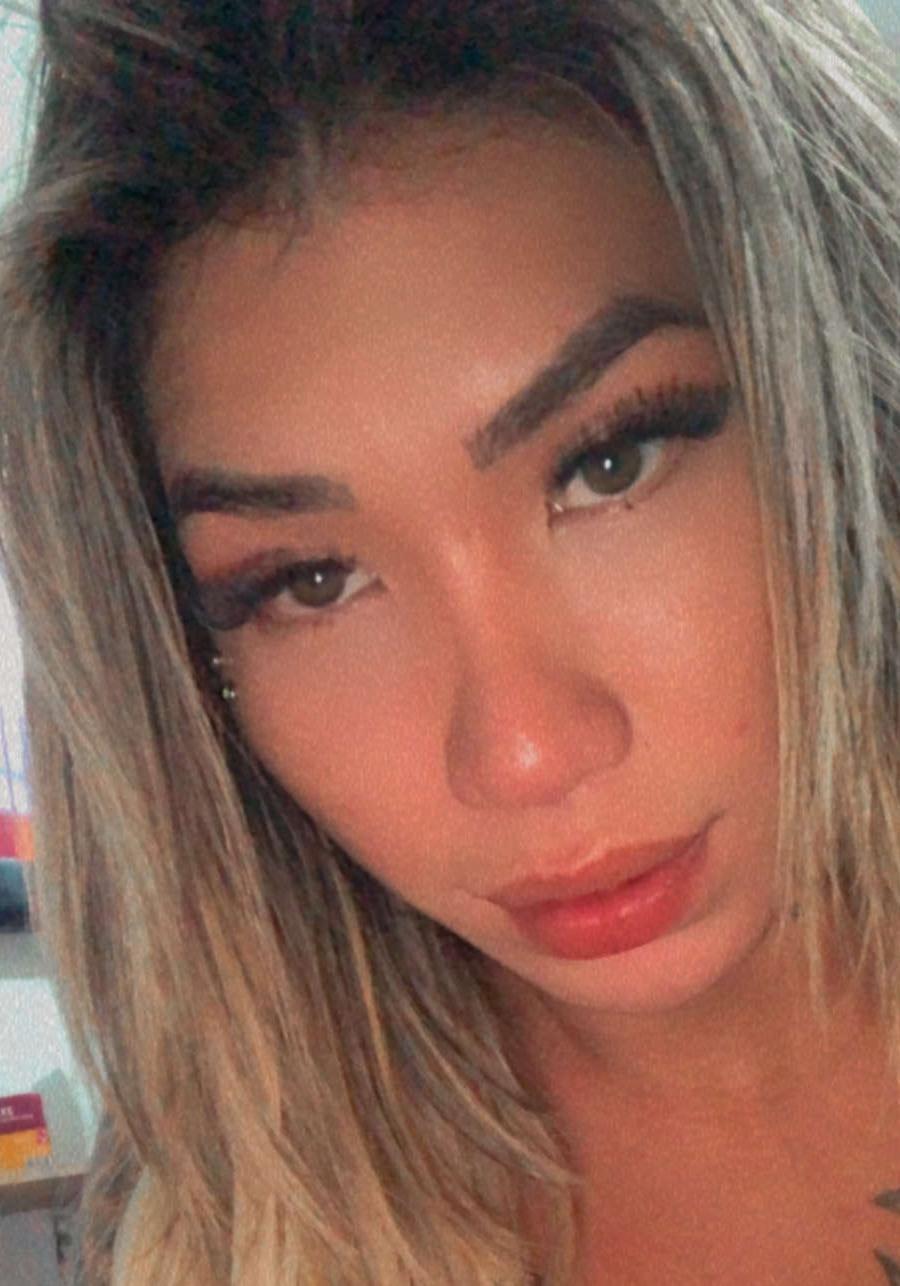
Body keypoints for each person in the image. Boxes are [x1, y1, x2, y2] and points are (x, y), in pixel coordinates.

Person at [0, 1, 898, 1281]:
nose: (524, 751)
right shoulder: (231, 1243)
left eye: (610, 462)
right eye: (309, 581)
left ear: (848, 401)